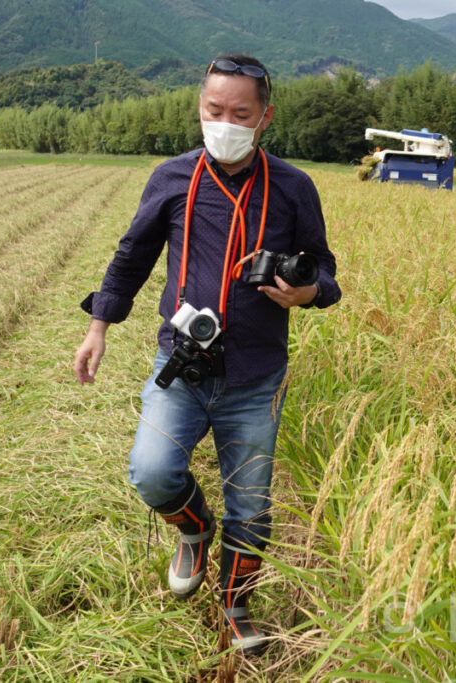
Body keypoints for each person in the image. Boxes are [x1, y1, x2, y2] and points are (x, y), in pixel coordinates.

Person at [72, 54, 341, 656]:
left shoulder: (294, 187)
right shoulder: (172, 178)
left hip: (255, 376)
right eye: (213, 111)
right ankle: (194, 529)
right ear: (199, 109)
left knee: (251, 503)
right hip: (184, 367)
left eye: (240, 113)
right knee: (153, 471)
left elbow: (326, 271)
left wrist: (309, 291)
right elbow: (132, 256)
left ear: (265, 117)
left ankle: (235, 605)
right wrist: (99, 328)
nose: (225, 122)